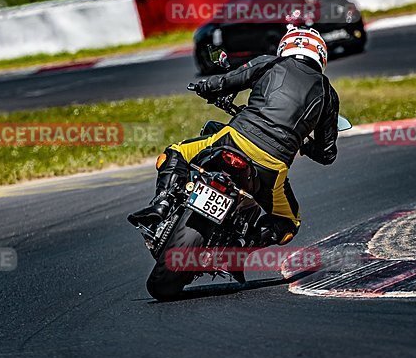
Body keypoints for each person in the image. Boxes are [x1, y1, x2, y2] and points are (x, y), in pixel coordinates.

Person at [129, 25, 340, 247]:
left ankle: (162, 203)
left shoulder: (270, 62)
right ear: (321, 55)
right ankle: (243, 246)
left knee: (176, 152)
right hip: (273, 167)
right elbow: (327, 154)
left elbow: (226, 81)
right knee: (289, 223)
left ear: (284, 47)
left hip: (236, 139)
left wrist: (204, 87)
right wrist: (305, 146)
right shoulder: (328, 94)